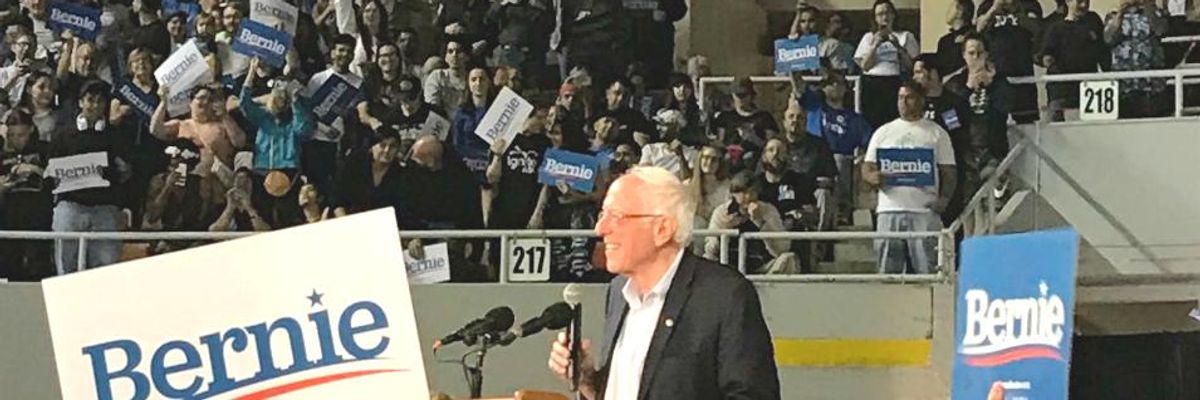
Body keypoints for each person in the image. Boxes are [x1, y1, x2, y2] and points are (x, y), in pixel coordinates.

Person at [547, 166, 780, 400]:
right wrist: (588, 380)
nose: (600, 228)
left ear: (662, 229)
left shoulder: (724, 295)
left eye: (616, 216)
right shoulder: (619, 292)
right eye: (602, 215)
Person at [862, 81, 957, 274]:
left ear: (921, 100)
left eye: (909, 97)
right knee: (887, 271)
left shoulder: (937, 133)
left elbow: (949, 171)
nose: (903, 102)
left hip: (924, 212)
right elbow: (867, 166)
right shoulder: (883, 132)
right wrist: (872, 177)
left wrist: (944, 200)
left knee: (928, 271)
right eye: (900, 98)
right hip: (889, 210)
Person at [48, 81, 131, 275]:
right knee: (65, 265)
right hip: (69, 206)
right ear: (80, 103)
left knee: (106, 268)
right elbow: (53, 171)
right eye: (90, 100)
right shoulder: (62, 135)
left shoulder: (116, 135)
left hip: (105, 208)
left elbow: (126, 172)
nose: (94, 105)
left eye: (100, 101)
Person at [239, 57, 315, 229]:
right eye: (276, 91)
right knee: (261, 218)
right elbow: (244, 104)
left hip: (288, 172)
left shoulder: (295, 119)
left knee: (286, 220)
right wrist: (252, 71)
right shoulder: (263, 117)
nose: (279, 96)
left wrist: (294, 98)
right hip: (262, 171)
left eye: (283, 94)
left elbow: (304, 130)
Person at [789, 71, 865, 226]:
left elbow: (869, 143)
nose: (836, 86)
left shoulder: (855, 119)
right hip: (812, 158)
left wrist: (861, 159)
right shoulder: (814, 105)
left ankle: (842, 212)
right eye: (831, 82)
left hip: (839, 164)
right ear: (823, 88)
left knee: (840, 159)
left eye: (840, 83)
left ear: (846, 89)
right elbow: (798, 86)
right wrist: (793, 67)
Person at [302, 34, 363, 207]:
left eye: (348, 51)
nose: (344, 55)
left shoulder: (357, 82)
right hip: (317, 143)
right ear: (333, 52)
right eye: (341, 50)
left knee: (337, 191)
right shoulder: (318, 78)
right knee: (315, 190)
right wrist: (323, 128)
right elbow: (307, 110)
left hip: (343, 145)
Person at [913, 54, 972, 226]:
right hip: (919, 170)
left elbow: (957, 134)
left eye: (919, 72)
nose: (915, 77)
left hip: (948, 170)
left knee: (950, 223)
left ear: (933, 74)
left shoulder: (953, 104)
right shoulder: (914, 103)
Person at [0, 110, 52, 281]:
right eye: (12, 135)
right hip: (9, 218)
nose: (17, 139)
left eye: (21, 134)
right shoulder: (3, 155)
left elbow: (57, 179)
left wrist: (34, 170)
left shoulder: (44, 149)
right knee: (9, 267)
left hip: (38, 217)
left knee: (38, 267)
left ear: (30, 130)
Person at [854, 0, 919, 130]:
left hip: (895, 81)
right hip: (873, 82)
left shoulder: (905, 36)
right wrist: (874, 46)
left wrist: (898, 47)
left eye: (887, 12)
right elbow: (864, 66)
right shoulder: (868, 37)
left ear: (893, 15)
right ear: (875, 18)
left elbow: (911, 65)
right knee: (872, 122)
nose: (884, 17)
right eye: (880, 14)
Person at [1040, 0, 1106, 121]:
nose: (1084, 5)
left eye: (1087, 2)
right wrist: (1048, 59)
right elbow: (1045, 55)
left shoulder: (1094, 23)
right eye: (1080, 1)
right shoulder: (1055, 27)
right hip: (1061, 91)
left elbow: (1103, 52)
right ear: (1068, 2)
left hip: (1089, 90)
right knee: (1056, 132)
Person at [976, 0, 1039, 124]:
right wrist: (994, 9)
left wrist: (1017, 11)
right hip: (996, 76)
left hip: (1023, 74)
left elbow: (1037, 29)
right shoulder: (987, 5)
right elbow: (979, 28)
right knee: (996, 120)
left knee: (1027, 122)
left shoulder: (1030, 5)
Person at [1104, 0, 1169, 118]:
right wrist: (1121, 12)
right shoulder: (1112, 16)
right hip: (1124, 86)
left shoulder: (1156, 12)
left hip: (1150, 86)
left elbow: (1160, 30)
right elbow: (1108, 38)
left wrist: (1147, 6)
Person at [709, 76, 779, 173]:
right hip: (729, 161)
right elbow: (719, 142)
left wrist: (753, 138)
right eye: (737, 95)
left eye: (744, 95)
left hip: (755, 162)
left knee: (749, 157)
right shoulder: (725, 117)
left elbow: (772, 145)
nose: (740, 99)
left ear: (751, 95)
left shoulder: (764, 117)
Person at [592, 78, 657, 148]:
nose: (621, 98)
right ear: (607, 93)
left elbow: (650, 138)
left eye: (626, 95)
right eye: (617, 93)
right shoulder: (595, 111)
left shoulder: (636, 117)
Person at [639, 109, 697, 181]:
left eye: (664, 125)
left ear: (676, 128)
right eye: (659, 125)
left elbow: (687, 180)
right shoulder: (650, 149)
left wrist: (680, 156)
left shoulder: (691, 153)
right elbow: (643, 175)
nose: (658, 128)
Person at [424, 39, 470, 118]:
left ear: (467, 56)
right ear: (445, 57)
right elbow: (432, 106)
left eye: (459, 51)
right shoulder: (437, 76)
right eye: (450, 51)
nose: (454, 55)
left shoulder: (473, 78)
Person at [659, 73, 705, 146]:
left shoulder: (700, 114)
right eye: (677, 86)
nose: (682, 90)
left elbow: (702, 137)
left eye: (686, 87)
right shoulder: (663, 113)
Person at [936, 0, 975, 75]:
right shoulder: (945, 41)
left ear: (960, 12)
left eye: (951, 8)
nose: (947, 12)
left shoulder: (974, 37)